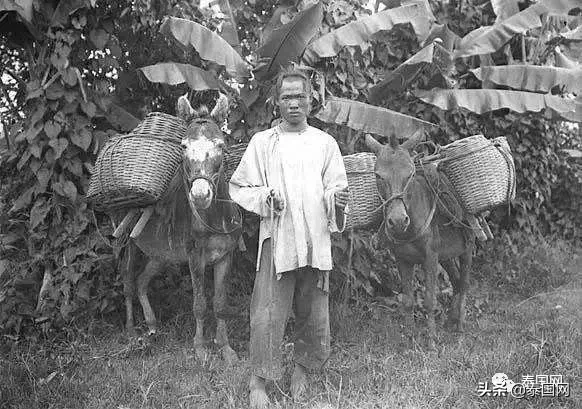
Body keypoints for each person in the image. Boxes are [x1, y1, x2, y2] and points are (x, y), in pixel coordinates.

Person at [229, 68, 349, 408]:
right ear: (276, 102)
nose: (294, 103)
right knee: (267, 311)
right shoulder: (263, 143)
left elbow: (337, 187)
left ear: (311, 101)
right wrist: (268, 198)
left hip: (315, 240)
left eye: (300, 97)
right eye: (286, 97)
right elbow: (238, 187)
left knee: (313, 309)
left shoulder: (325, 143)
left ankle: (302, 370)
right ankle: (259, 383)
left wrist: (335, 200)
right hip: (278, 240)